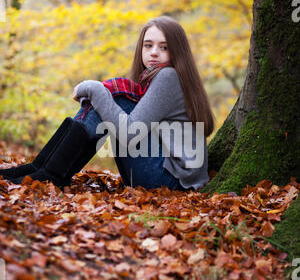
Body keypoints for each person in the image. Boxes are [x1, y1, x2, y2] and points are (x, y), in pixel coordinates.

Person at [0, 16, 215, 191]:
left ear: (177, 52)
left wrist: (95, 89)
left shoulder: (168, 76)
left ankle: (50, 173)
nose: (154, 53)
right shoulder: (164, 78)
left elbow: (130, 132)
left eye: (164, 47)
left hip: (170, 181)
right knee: (110, 98)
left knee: (112, 97)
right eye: (148, 45)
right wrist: (99, 95)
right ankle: (40, 168)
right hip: (167, 174)